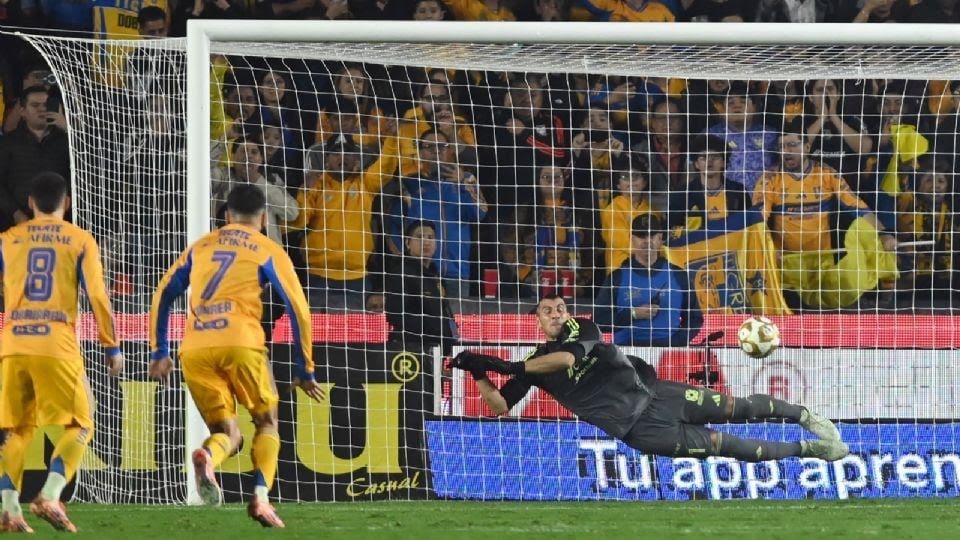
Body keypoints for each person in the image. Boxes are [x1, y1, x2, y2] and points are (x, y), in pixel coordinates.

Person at [452, 294, 849, 464]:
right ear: (537, 320)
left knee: (737, 407)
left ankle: (804, 415)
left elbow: (567, 359)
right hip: (639, 430)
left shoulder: (583, 330)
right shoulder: (533, 363)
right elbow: (500, 406)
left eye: (560, 308)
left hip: (659, 394)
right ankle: (809, 450)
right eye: (548, 311)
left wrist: (510, 368)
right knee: (728, 446)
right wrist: (480, 373)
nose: (556, 314)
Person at [148, 185, 323, 528]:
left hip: (195, 348)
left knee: (228, 432)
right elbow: (298, 309)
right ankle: (260, 497)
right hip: (242, 342)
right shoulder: (267, 248)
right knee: (267, 422)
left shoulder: (200, 246)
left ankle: (208, 455)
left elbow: (163, 293)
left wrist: (160, 350)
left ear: (226, 216)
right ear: (263, 218)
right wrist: (305, 368)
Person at [0, 172, 124, 533]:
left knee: (15, 429)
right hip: (55, 341)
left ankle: (9, 508)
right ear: (66, 204)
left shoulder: (8, 240)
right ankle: (51, 494)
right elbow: (97, 295)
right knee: (82, 422)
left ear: (31, 204)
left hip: (13, 340)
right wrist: (111, 345)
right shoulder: (80, 239)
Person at [595, 214, 695, 346]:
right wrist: (633, 314)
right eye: (641, 236)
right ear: (632, 239)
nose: (647, 241)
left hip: (668, 353)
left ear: (660, 238)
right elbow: (598, 321)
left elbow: (695, 318)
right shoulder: (616, 277)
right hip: (626, 352)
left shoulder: (678, 275)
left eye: (652, 235)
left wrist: (675, 342)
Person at [384, 220, 458, 353]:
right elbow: (396, 316)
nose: (426, 242)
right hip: (412, 350)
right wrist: (435, 328)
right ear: (407, 243)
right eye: (419, 237)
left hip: (438, 349)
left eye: (430, 237)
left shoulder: (436, 275)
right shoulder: (401, 273)